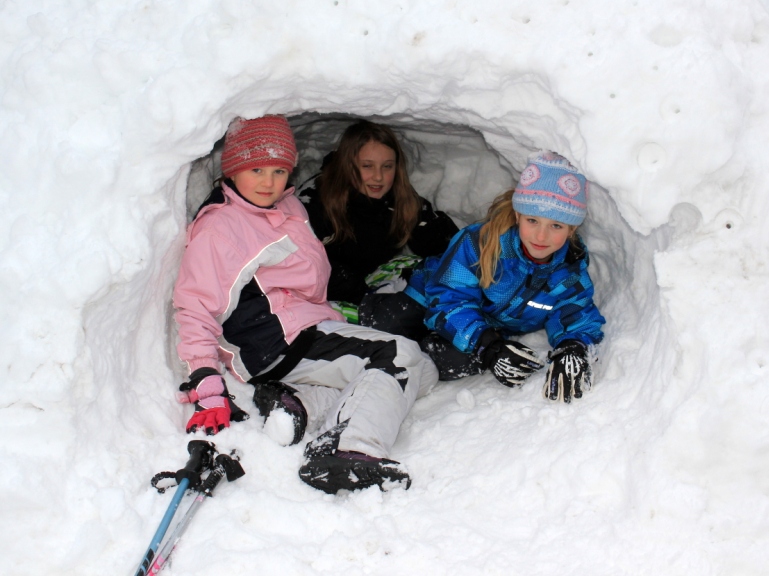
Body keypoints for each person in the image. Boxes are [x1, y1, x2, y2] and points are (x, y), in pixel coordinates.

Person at [172, 115, 438, 494]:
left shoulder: (287, 205)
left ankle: (301, 406)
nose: (269, 181)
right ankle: (349, 447)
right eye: (257, 169)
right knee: (399, 356)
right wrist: (205, 379)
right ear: (232, 169)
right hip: (276, 342)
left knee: (422, 372)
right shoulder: (223, 227)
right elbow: (195, 304)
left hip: (305, 326)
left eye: (279, 170)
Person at [360, 151, 605, 403]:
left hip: (485, 323)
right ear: (518, 215)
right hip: (431, 296)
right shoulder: (480, 243)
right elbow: (448, 297)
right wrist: (488, 345)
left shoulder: (568, 272)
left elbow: (575, 314)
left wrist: (572, 348)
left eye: (556, 226)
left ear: (572, 229)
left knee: (445, 361)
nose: (541, 237)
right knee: (388, 324)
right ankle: (374, 299)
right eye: (533, 220)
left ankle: (427, 345)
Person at [301, 120, 459, 306]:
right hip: (326, 294)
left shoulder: (398, 197)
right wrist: (365, 297)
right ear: (347, 165)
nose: (378, 176)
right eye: (367, 166)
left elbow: (445, 244)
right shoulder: (316, 199)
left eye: (387, 166)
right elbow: (306, 264)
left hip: (373, 280)